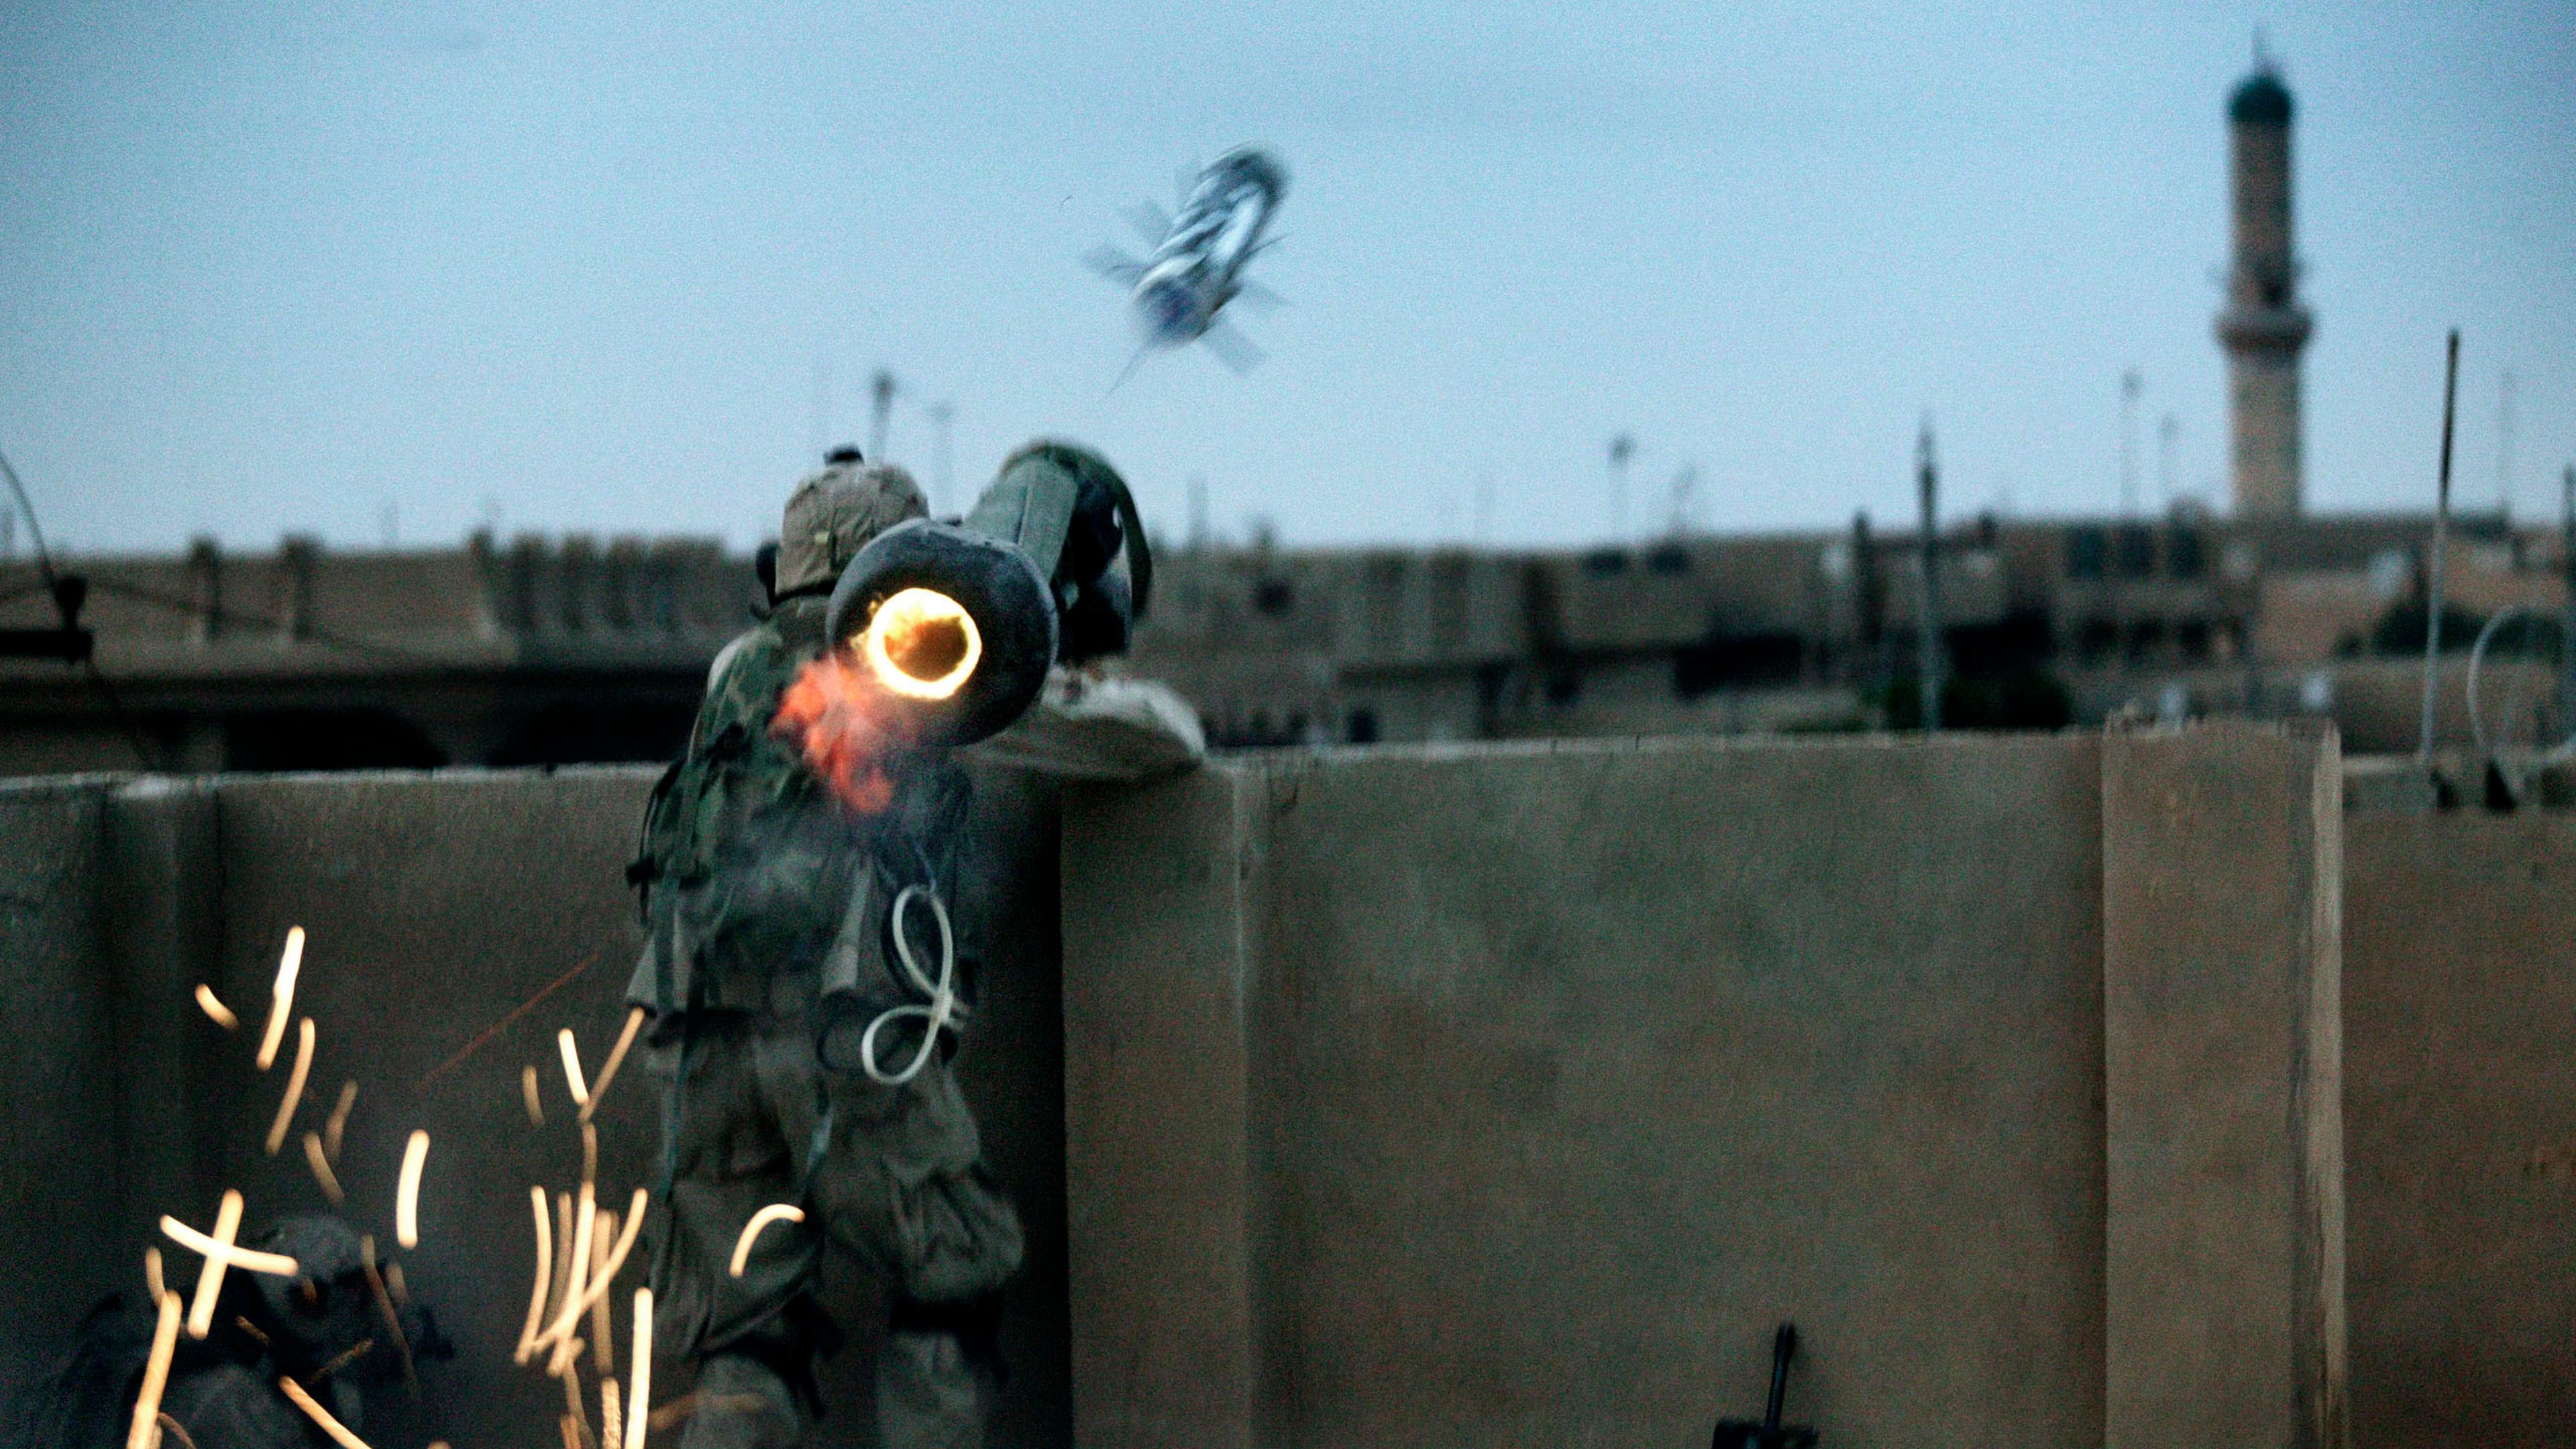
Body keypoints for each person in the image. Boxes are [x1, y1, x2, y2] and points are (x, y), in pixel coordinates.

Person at [627, 443, 1199, 1449]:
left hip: (693, 1047)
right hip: (839, 1046)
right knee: (955, 1279)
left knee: (749, 1339)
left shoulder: (734, 677)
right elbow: (1158, 739)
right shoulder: (908, 673)